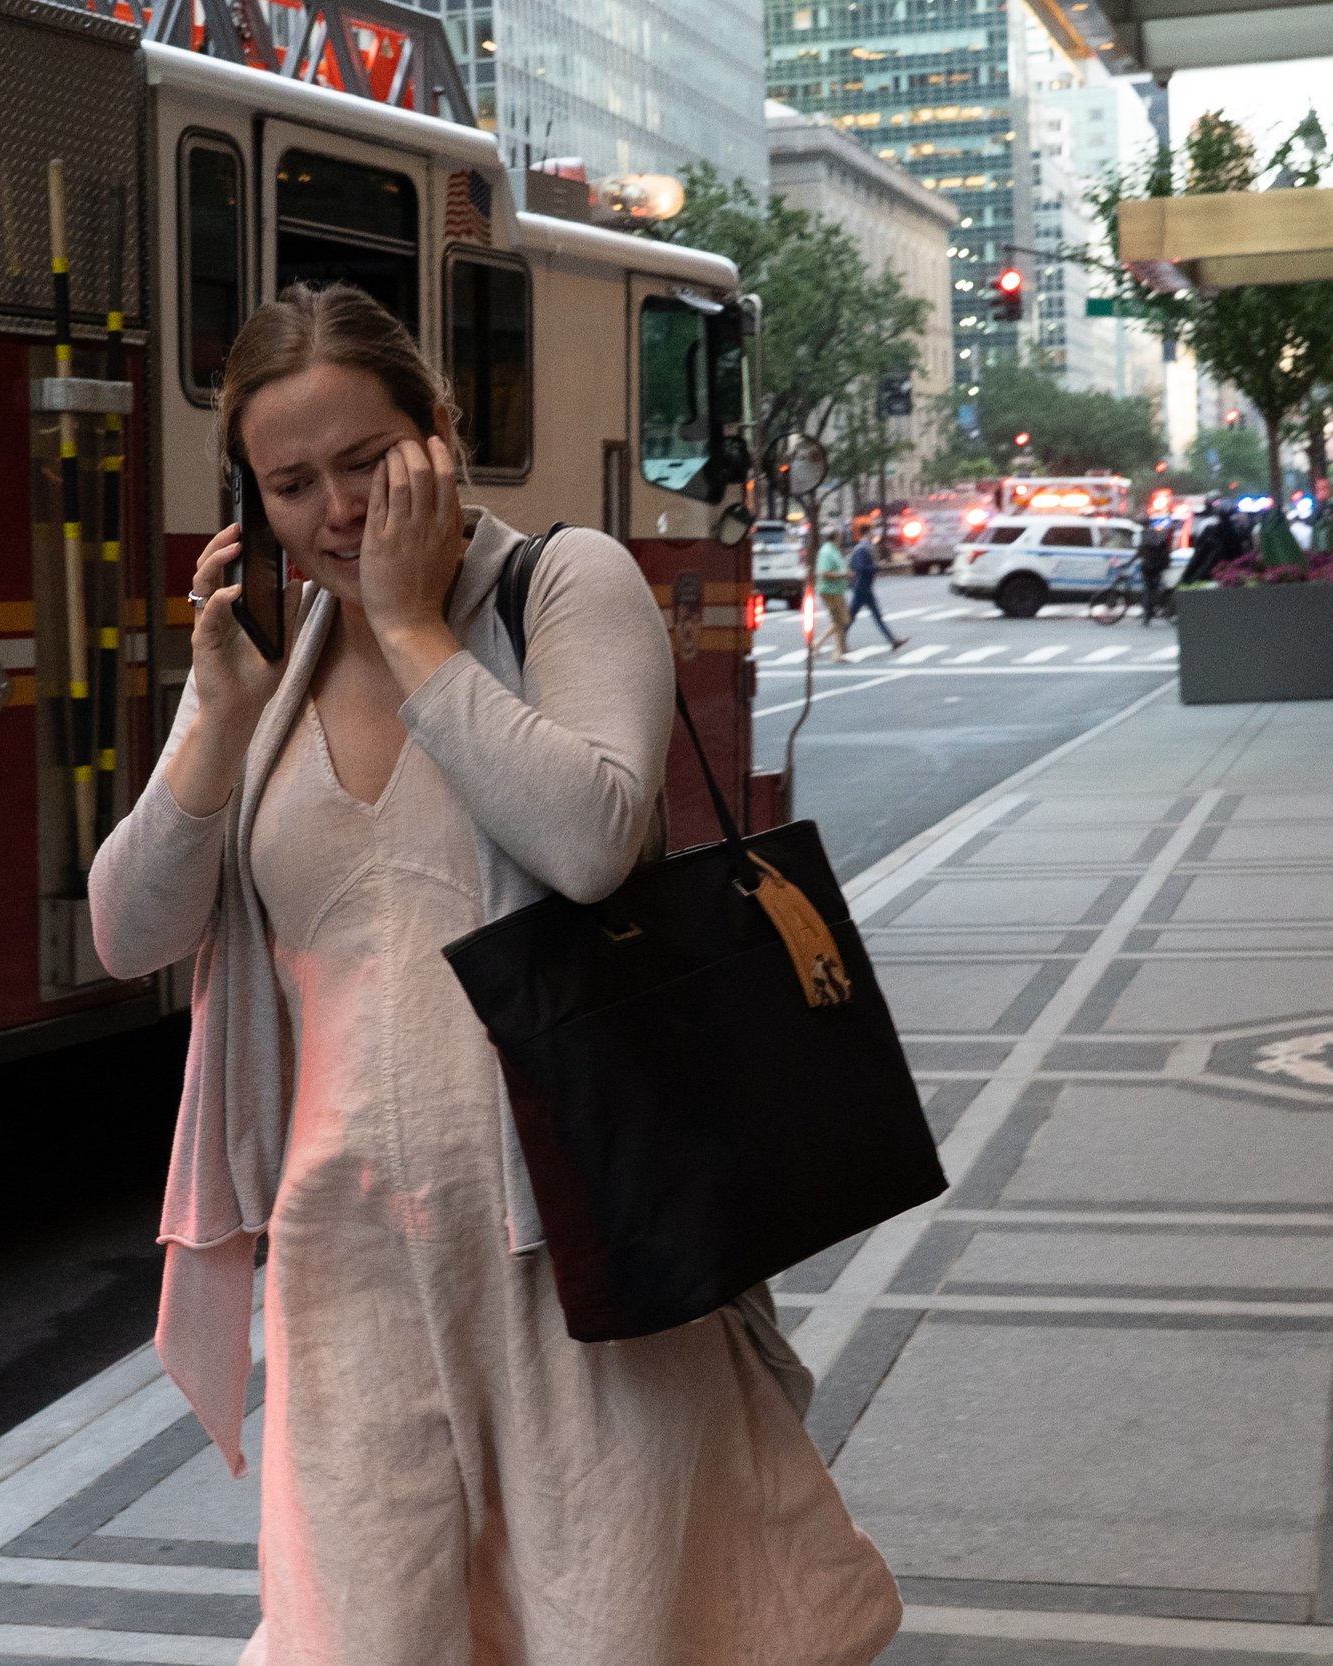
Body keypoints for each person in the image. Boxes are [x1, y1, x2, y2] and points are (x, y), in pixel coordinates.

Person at [88, 283, 899, 1666]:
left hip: (569, 1234)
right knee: (364, 1633)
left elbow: (592, 837)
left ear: (438, 434)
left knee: (613, 1619)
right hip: (347, 1259)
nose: (335, 511)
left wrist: (413, 632)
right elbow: (128, 927)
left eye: (364, 463)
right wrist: (213, 721)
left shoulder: (563, 583)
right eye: (291, 484)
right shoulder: (269, 658)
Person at [846, 526, 909, 650]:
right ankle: (840, 640)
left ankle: (892, 640)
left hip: (864, 587)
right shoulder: (862, 549)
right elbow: (861, 568)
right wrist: (877, 567)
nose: (873, 535)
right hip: (861, 587)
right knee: (853, 617)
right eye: (871, 532)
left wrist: (875, 567)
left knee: (870, 616)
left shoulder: (865, 548)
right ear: (866, 533)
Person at [813, 529, 854, 659]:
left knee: (841, 620)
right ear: (835, 537)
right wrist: (844, 575)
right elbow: (824, 572)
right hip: (830, 590)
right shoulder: (827, 551)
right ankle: (837, 651)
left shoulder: (833, 550)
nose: (841, 539)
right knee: (839, 620)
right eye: (839, 537)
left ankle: (819, 643)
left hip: (837, 590)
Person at [1135, 515, 1174, 623]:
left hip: (1150, 567)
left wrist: (1128, 563)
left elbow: (1140, 551)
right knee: (1153, 588)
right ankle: (1153, 609)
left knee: (1148, 589)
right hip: (1157, 566)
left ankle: (1149, 613)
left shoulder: (1146, 534)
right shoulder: (1156, 533)